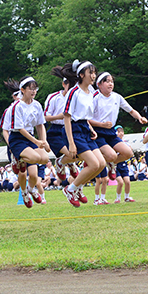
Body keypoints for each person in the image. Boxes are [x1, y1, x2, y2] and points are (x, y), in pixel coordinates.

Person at [62, 60, 106, 207]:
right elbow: (67, 117)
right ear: (81, 75)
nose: (94, 76)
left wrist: (91, 128)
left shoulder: (92, 92)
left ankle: (78, 187)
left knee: (101, 163)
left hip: (85, 128)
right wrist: (71, 143)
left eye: (94, 72)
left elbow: (85, 115)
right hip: (74, 129)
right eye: (90, 73)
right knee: (93, 164)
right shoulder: (73, 92)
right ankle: (71, 189)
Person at [90, 72, 147, 180]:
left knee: (128, 153)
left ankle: (111, 164)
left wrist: (139, 118)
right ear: (99, 84)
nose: (110, 84)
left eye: (112, 81)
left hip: (110, 131)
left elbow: (131, 110)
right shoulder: (94, 97)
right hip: (97, 132)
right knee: (112, 155)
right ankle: (104, 162)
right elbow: (86, 119)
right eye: (107, 81)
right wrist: (101, 124)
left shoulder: (117, 97)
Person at [9, 76, 50, 207]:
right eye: (30, 89)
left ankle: (31, 189)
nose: (33, 91)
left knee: (43, 159)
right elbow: (20, 128)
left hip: (31, 138)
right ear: (22, 90)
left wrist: (43, 141)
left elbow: (40, 124)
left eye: (35, 89)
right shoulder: (17, 106)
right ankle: (24, 192)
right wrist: (37, 142)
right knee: (35, 157)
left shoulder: (37, 105)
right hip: (18, 139)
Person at [44, 65, 80, 182]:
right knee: (72, 154)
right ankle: (62, 162)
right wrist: (60, 116)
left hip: (71, 129)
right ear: (63, 84)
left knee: (78, 154)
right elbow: (45, 117)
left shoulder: (76, 97)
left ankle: (67, 162)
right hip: (56, 130)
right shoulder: (53, 97)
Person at [114, 125, 135, 203]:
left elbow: (131, 152)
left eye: (122, 131)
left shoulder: (125, 143)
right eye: (118, 132)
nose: (121, 133)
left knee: (127, 181)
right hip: (115, 164)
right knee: (120, 182)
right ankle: (118, 198)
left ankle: (127, 197)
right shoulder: (112, 143)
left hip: (123, 163)